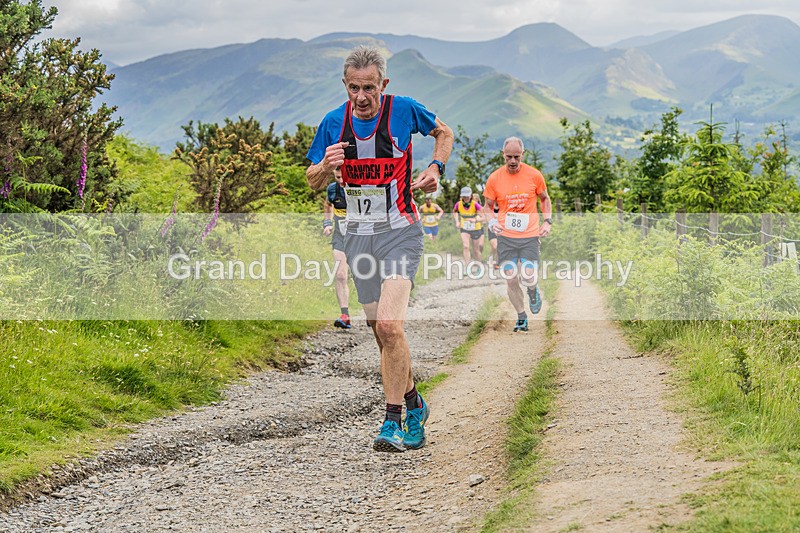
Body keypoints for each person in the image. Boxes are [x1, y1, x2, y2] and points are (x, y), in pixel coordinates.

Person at [306, 45, 454, 452]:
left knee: (390, 325)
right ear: (345, 85)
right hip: (358, 237)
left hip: (400, 232)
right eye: (354, 88)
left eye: (369, 88)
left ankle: (393, 421)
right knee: (379, 330)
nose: (361, 97)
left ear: (383, 84)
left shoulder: (403, 110)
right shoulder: (333, 123)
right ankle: (415, 403)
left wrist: (435, 168)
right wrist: (325, 167)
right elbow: (312, 180)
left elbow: (444, 132)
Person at [483, 137, 552, 332]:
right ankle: (522, 317)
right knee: (511, 278)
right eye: (509, 157)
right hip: (506, 237)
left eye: (516, 157)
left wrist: (547, 221)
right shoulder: (495, 178)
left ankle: (532, 290)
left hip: (530, 235)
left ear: (523, 154)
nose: (512, 161)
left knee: (528, 275)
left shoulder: (534, 175)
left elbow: (545, 199)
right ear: (503, 155)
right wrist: (492, 222)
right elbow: (487, 206)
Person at [323, 168, 352, 329]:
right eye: (338, 177)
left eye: (343, 177)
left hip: (361, 237)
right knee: (340, 275)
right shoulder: (333, 189)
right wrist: (327, 224)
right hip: (340, 237)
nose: (341, 181)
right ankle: (345, 315)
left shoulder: (359, 187)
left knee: (366, 275)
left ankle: (372, 312)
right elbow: (328, 205)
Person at [452, 186, 484, 264]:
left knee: (476, 250)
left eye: (467, 196)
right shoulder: (458, 204)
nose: (466, 197)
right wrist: (457, 221)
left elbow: (483, 217)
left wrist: (475, 220)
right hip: (464, 228)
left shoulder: (475, 204)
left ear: (471, 195)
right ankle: (467, 267)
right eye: (464, 196)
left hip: (475, 228)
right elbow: (454, 211)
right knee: (466, 247)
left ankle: (479, 265)